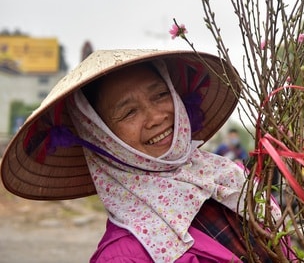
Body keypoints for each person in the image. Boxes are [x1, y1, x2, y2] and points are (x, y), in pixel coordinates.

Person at [0, 49, 281, 262]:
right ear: (102, 137)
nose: (156, 117)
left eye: (159, 95)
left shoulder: (231, 178)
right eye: (129, 112)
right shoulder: (123, 255)